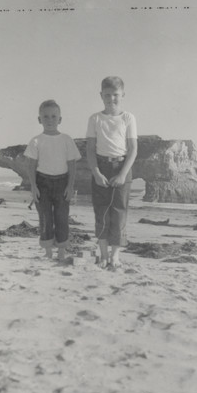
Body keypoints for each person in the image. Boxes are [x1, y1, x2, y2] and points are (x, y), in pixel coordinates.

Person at [86, 76, 137, 269]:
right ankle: (104, 254)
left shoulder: (128, 118)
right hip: (100, 167)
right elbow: (90, 149)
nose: (111, 99)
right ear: (101, 95)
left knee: (119, 213)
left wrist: (123, 174)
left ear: (122, 95)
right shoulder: (95, 118)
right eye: (107, 95)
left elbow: (133, 149)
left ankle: (115, 256)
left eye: (115, 95)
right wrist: (97, 173)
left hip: (122, 167)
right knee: (101, 212)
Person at [24, 100, 81, 261]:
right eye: (46, 116)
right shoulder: (36, 140)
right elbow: (31, 165)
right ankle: (48, 251)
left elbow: (72, 165)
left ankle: (61, 251)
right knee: (45, 218)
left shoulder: (66, 139)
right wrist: (34, 187)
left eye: (54, 116)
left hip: (62, 182)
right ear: (39, 119)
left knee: (62, 217)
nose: (50, 120)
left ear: (60, 119)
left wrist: (70, 187)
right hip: (42, 183)